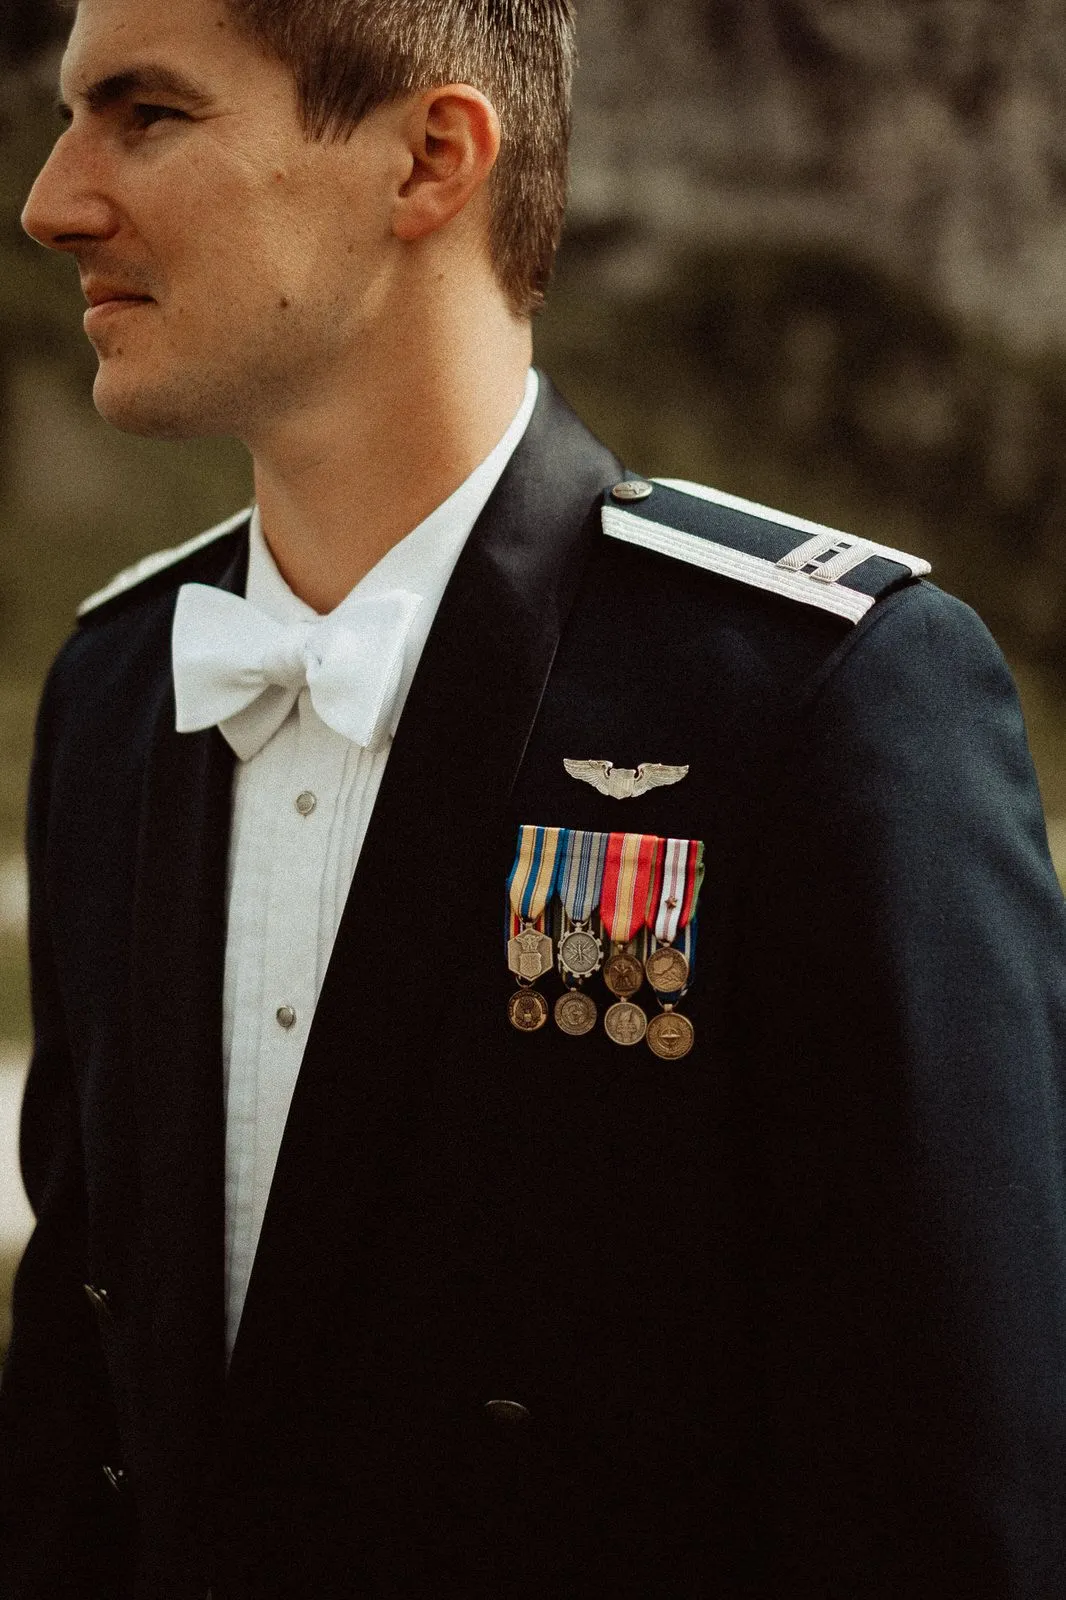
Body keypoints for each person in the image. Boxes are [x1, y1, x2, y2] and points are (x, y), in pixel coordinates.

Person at [3, 0, 1066, 1594]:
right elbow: (78, 1430)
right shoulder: (113, 687)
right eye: (70, 115)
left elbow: (958, 1491)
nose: (54, 197)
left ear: (429, 158)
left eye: (145, 114)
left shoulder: (822, 697)